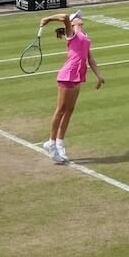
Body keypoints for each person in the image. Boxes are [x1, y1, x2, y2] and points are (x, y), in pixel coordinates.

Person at [37, 10, 102, 165]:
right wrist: (48, 18)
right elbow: (65, 17)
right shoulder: (71, 33)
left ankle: (60, 142)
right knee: (60, 110)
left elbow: (90, 59)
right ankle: (51, 143)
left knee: (69, 110)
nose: (80, 18)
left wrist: (99, 76)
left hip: (78, 76)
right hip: (67, 76)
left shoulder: (85, 37)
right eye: (77, 17)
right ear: (72, 23)